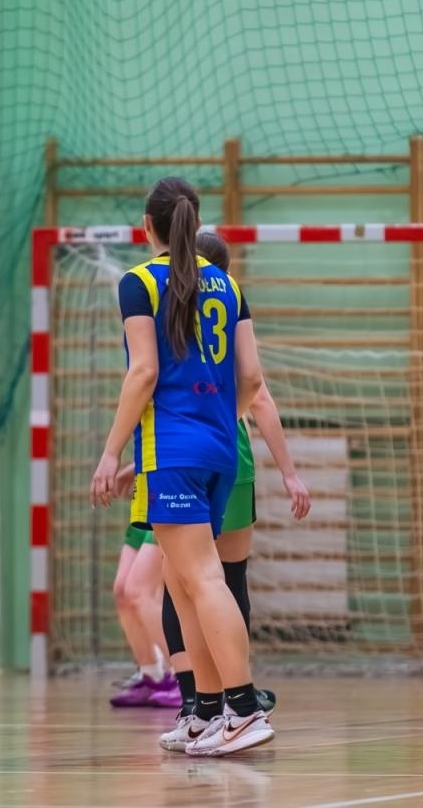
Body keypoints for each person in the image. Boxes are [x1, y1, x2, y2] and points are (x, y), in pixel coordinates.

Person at [90, 178, 274, 757]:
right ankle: (206, 712)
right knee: (179, 580)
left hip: (172, 448)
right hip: (221, 447)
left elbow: (142, 372)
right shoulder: (226, 283)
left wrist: (110, 450)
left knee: (200, 580)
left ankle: (243, 709)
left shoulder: (139, 282)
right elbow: (250, 379)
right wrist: (217, 423)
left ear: (148, 224)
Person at [152, 230, 311, 731]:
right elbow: (256, 393)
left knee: (182, 581)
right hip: (229, 452)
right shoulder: (229, 304)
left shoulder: (167, 307)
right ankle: (231, 698)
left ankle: (204, 704)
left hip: (173, 453)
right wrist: (289, 473)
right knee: (224, 580)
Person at [107, 500, 179, 708]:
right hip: (144, 493)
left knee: (139, 591)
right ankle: (152, 675)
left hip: (168, 490)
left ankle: (185, 677)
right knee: (123, 592)